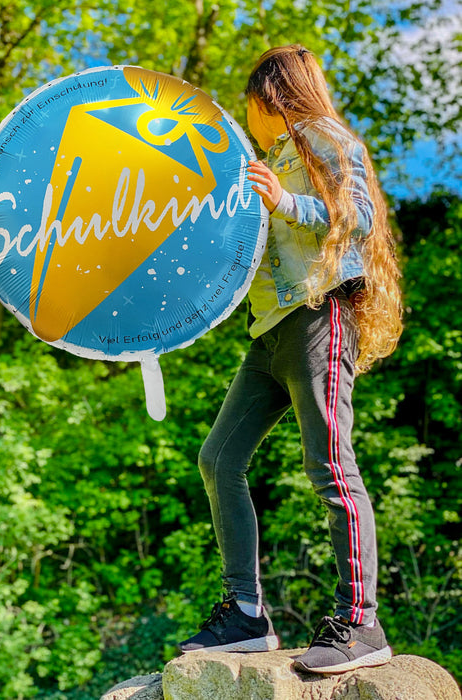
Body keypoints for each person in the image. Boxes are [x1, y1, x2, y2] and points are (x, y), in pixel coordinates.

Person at [178, 44, 403, 674]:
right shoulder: (269, 159)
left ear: (270, 98)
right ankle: (246, 614)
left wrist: (284, 200)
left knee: (330, 464)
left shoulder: (325, 139)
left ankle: (361, 622)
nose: (248, 120)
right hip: (269, 329)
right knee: (219, 458)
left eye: (250, 105)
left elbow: (355, 219)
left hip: (318, 314)